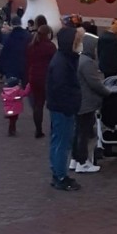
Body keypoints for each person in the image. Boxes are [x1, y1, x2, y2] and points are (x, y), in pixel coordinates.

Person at [46, 26, 84, 191]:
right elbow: (62, 88)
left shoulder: (63, 58)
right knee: (62, 142)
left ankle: (58, 172)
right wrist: (70, 105)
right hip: (63, 108)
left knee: (58, 141)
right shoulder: (62, 62)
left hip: (60, 106)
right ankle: (60, 175)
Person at [74, 33, 110, 173]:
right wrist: (107, 92)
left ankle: (76, 159)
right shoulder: (88, 62)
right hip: (86, 102)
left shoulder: (80, 60)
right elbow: (94, 83)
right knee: (83, 132)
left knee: (78, 131)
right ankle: (82, 162)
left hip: (80, 101)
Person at [25, 25, 56, 138]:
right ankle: (54, 128)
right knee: (52, 104)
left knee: (38, 104)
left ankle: (38, 130)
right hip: (47, 78)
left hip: (34, 77)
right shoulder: (50, 47)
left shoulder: (31, 46)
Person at [0, 15, 30, 84]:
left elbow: (4, 53)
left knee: (12, 91)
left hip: (11, 69)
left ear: (11, 24)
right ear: (21, 23)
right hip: (25, 67)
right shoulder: (28, 36)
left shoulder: (8, 37)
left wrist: (1, 68)